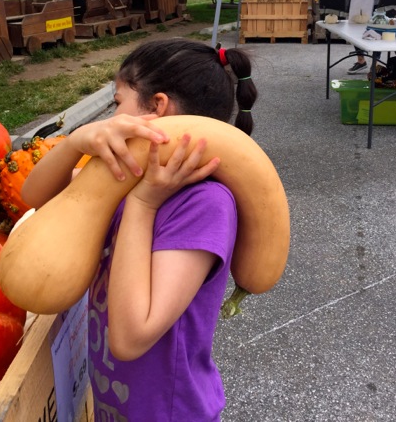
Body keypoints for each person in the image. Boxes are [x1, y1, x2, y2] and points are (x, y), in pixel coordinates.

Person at [21, 39, 258, 421]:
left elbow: (131, 338)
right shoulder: (126, 177)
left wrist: (143, 204)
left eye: (117, 103)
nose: (112, 115)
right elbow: (34, 196)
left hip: (170, 412)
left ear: (158, 106)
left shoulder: (205, 204)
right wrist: (75, 141)